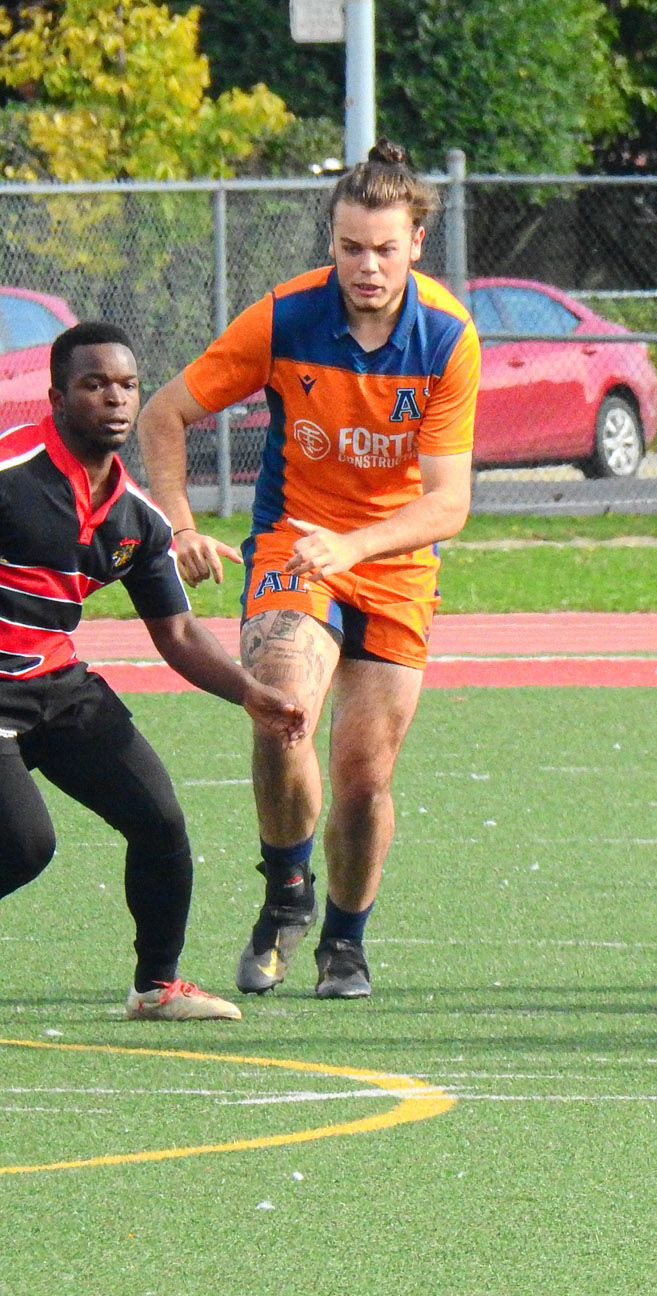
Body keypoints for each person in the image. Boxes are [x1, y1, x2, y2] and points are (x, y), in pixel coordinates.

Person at [135, 141, 479, 1001]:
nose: (366, 265)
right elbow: (164, 413)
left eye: (384, 249)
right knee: (280, 706)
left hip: (393, 559)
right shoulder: (286, 317)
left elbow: (448, 505)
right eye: (350, 247)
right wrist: (179, 524)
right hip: (294, 544)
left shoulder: (446, 338)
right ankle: (284, 885)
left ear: (417, 245)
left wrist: (359, 546)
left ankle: (345, 941)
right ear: (332, 241)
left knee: (366, 780)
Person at [1, 323, 305, 1020]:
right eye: (93, 383)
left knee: (159, 819)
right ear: (55, 397)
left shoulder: (138, 516)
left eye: (128, 385)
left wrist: (251, 693)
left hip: (55, 685)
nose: (115, 398)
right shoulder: (11, 474)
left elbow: (176, 632)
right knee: (24, 845)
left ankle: (156, 987)